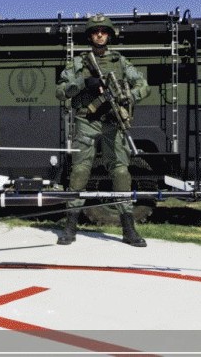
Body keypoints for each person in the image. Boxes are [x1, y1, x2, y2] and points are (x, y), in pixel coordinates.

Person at [55, 14, 151, 247]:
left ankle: (128, 228)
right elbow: (60, 91)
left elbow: (144, 86)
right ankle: (70, 227)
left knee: (120, 172)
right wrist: (81, 84)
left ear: (109, 35)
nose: (99, 35)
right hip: (86, 120)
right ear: (90, 36)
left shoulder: (120, 61)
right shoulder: (78, 63)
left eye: (103, 31)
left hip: (112, 122)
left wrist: (128, 96)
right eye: (95, 32)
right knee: (80, 171)